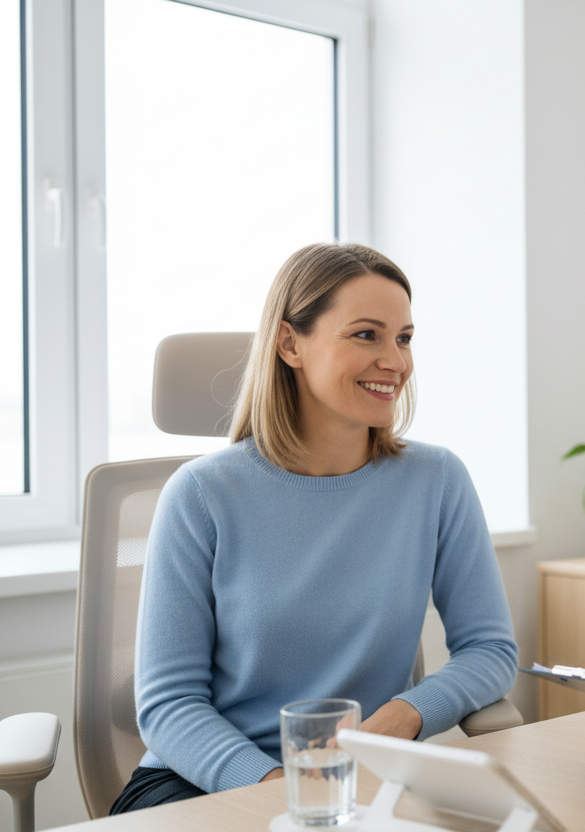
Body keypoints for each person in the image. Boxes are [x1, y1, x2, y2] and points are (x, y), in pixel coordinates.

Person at [114, 243, 518, 812]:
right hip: (207, 784)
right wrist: (279, 788)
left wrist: (409, 714)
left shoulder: (437, 480)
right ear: (289, 344)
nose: (396, 361)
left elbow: (490, 649)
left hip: (359, 783)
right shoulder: (200, 495)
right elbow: (168, 706)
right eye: (366, 335)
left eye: (403, 338)